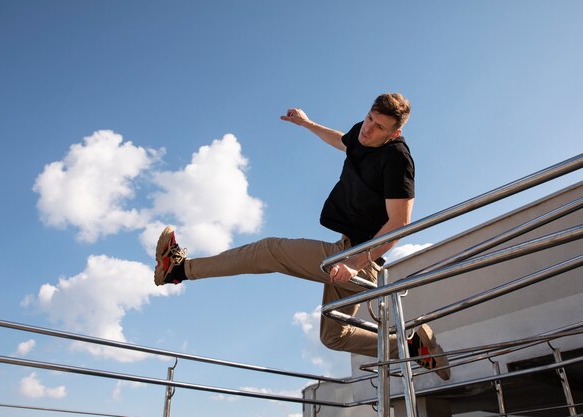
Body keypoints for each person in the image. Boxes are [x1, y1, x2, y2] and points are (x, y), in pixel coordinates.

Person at [153, 93, 450, 380]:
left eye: (379, 127)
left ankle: (178, 269)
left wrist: (356, 264)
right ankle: (411, 346)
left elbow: (400, 223)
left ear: (395, 133)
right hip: (346, 250)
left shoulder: (398, 160)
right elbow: (343, 142)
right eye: (369, 118)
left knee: (270, 251)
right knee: (333, 336)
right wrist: (307, 124)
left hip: (358, 257)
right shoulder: (363, 133)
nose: (368, 129)